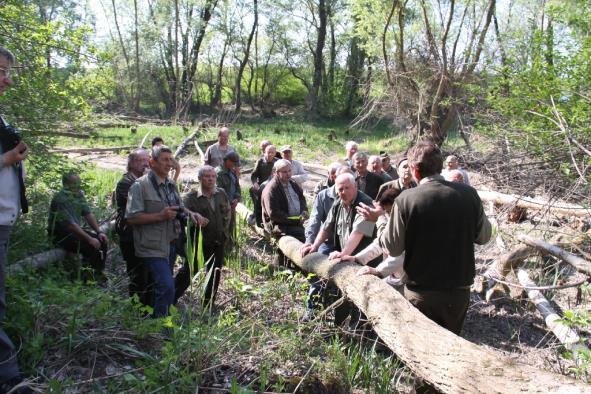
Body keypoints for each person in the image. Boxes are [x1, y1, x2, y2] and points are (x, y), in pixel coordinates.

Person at [377, 141, 491, 334]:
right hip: (458, 293)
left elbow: (393, 248)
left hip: (421, 292)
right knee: (451, 349)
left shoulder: (406, 199)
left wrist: (381, 221)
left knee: (420, 352)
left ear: (415, 170)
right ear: (440, 166)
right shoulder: (469, 195)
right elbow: (484, 237)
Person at [126, 145, 207, 317]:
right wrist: (160, 216)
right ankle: (159, 325)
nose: (169, 164)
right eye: (164, 160)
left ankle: (156, 321)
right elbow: (131, 218)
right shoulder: (139, 186)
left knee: (161, 286)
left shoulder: (170, 184)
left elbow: (179, 207)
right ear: (152, 162)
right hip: (151, 246)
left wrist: (192, 214)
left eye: (170, 159)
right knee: (166, 285)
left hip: (170, 242)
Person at [301, 173, 378, 327]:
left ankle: (359, 332)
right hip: (346, 259)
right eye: (340, 189)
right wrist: (314, 246)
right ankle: (339, 329)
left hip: (365, 261)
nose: (343, 192)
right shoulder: (338, 202)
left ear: (355, 186)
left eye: (346, 188)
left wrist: (343, 254)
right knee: (340, 295)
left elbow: (359, 232)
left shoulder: (366, 205)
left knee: (362, 300)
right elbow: (327, 227)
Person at [0, 45, 32, 393]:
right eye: (2, 72)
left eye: (9, 72)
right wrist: (7, 158)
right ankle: (8, 379)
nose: (7, 81)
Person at [175, 166, 231, 307]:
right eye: (206, 176)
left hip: (218, 241)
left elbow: (227, 213)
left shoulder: (221, 193)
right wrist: (192, 215)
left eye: (212, 176)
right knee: (188, 272)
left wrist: (226, 234)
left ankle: (208, 304)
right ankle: (171, 298)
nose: (210, 179)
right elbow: (180, 209)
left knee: (214, 274)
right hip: (199, 242)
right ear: (199, 179)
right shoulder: (191, 197)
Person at [302, 164, 345, 320]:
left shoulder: (356, 195)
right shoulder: (323, 195)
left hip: (347, 244)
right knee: (318, 274)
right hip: (326, 241)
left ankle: (341, 314)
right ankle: (311, 309)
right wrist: (309, 241)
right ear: (334, 177)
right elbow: (314, 220)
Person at [48, 172, 109, 281]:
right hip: (62, 235)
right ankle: (88, 278)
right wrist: (90, 239)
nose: (78, 185)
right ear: (66, 184)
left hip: (74, 231)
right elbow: (71, 225)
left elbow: (88, 214)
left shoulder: (79, 195)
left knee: (102, 241)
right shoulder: (60, 199)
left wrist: (99, 232)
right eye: (75, 183)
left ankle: (98, 273)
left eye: (78, 182)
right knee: (90, 246)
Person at [115, 148, 152, 305]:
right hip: (130, 234)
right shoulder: (125, 182)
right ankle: (136, 309)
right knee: (136, 273)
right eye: (140, 160)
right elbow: (141, 204)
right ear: (131, 164)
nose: (145, 163)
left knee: (148, 273)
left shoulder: (147, 180)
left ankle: (147, 307)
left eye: (147, 160)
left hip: (146, 234)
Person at [262, 160, 308, 265]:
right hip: (278, 225)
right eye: (284, 172)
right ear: (276, 173)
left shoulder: (293, 183)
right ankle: (292, 264)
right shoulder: (271, 189)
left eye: (289, 171)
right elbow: (274, 214)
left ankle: (295, 264)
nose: (288, 174)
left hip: (295, 221)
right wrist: (296, 221)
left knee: (313, 232)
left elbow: (302, 199)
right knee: (303, 235)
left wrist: (304, 212)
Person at [216, 151, 241, 243]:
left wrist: (237, 199)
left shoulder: (232, 172)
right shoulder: (218, 173)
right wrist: (226, 203)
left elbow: (237, 186)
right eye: (233, 163)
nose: (234, 165)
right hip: (222, 208)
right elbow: (217, 192)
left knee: (231, 227)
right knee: (223, 229)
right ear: (227, 161)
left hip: (232, 205)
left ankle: (231, 246)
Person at [249, 144, 277, 227]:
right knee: (254, 192)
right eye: (268, 152)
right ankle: (258, 219)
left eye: (272, 152)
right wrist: (255, 183)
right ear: (265, 152)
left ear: (275, 153)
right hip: (261, 185)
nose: (270, 154)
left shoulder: (277, 162)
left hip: (273, 186)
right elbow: (254, 175)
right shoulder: (260, 162)